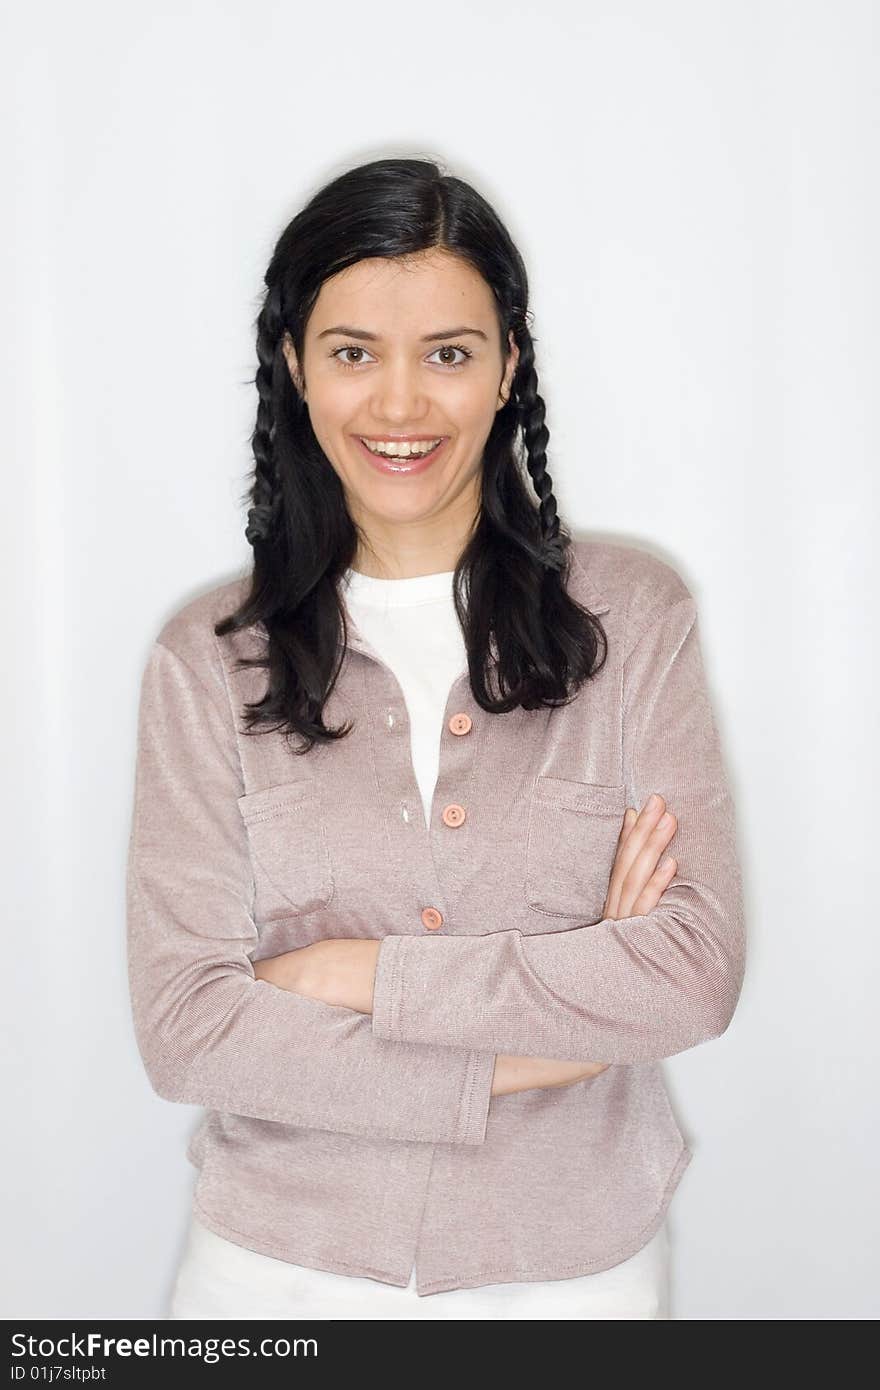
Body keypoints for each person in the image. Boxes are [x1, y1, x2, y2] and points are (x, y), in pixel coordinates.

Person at [126, 156, 746, 1321]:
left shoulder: (635, 620)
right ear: (294, 366)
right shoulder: (205, 660)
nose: (400, 406)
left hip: (574, 1268)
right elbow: (190, 1032)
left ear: (509, 366)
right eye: (354, 351)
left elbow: (689, 974)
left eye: (448, 354)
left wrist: (346, 976)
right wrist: (557, 1042)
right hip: (276, 1274)